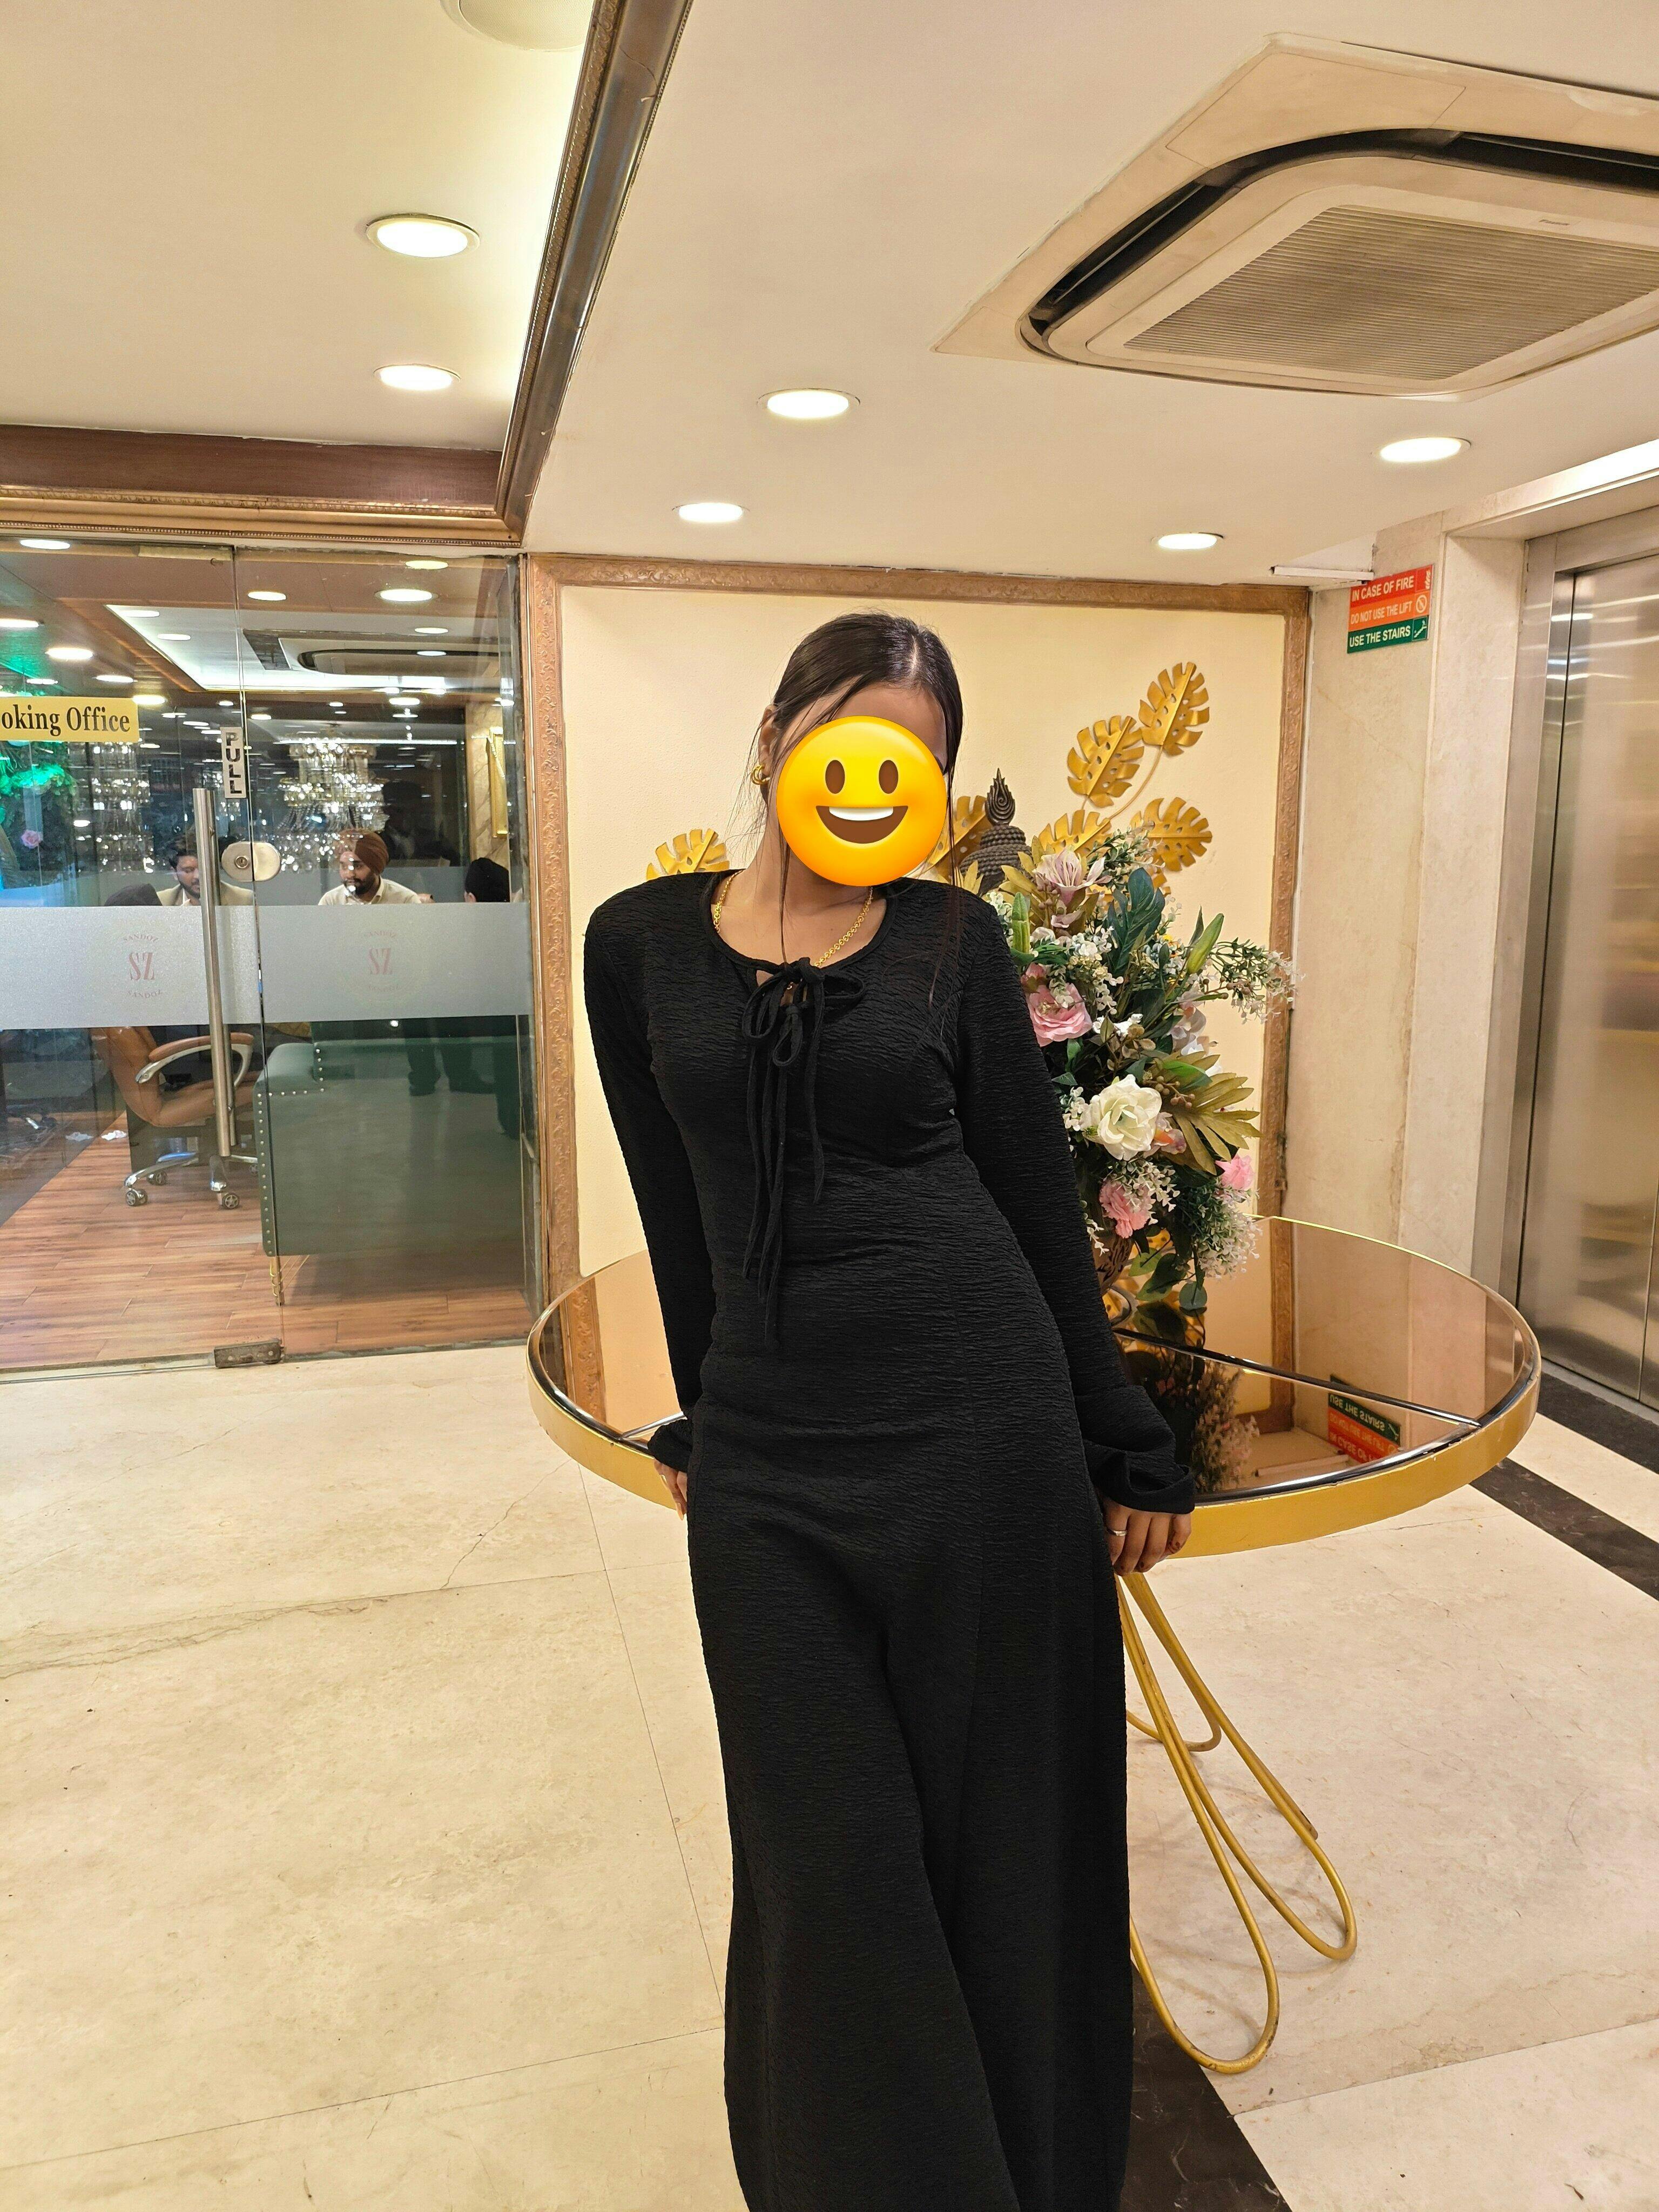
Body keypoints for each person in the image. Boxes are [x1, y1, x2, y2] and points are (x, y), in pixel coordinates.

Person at [583, 610, 1194, 2212]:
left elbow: (1030, 1200)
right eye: (849, 738)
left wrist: (1121, 1439)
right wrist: (705, 1414)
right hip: (775, 1466)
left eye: (910, 760)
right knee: (828, 1859)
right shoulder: (636, 944)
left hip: (980, 1431)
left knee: (1004, 1841)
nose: (870, 783)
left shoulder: (948, 943)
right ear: (778, 733)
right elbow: (677, 1210)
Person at [318, 830, 423, 906]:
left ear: (376, 866)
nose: (350, 874)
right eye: (344, 867)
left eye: (358, 866)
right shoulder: (331, 902)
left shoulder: (405, 900)